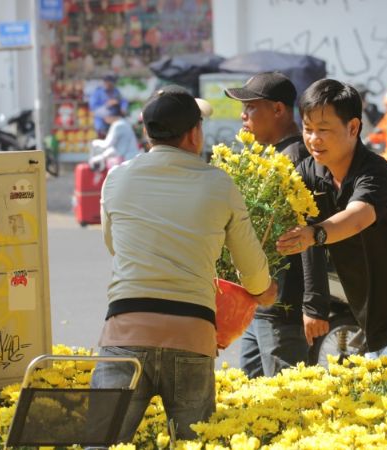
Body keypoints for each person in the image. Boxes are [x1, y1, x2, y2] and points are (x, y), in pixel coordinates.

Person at [91, 85, 278, 443]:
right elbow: (252, 271)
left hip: (125, 330)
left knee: (102, 441)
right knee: (194, 442)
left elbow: (114, 245)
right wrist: (263, 291)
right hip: (191, 334)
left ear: (147, 133)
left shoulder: (117, 178)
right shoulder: (218, 183)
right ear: (194, 134)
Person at [276, 79, 387, 373]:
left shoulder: (376, 175)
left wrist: (315, 234)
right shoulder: (310, 171)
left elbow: (357, 218)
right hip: (371, 323)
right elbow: (303, 227)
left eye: (324, 129)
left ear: (354, 128)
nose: (313, 139)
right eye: (307, 129)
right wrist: (313, 305)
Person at [224, 72, 330, 377]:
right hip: (260, 300)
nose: (243, 115)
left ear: (278, 110)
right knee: (254, 399)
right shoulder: (271, 155)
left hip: (286, 306)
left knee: (285, 398)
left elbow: (310, 235)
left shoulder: (297, 159)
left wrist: (313, 305)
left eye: (251, 106)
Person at [88, 104, 140, 171]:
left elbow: (106, 144)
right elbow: (115, 148)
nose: (104, 118)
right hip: (130, 160)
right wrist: (102, 157)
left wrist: (94, 142)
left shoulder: (118, 125)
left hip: (128, 161)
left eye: (105, 115)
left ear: (111, 115)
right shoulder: (122, 122)